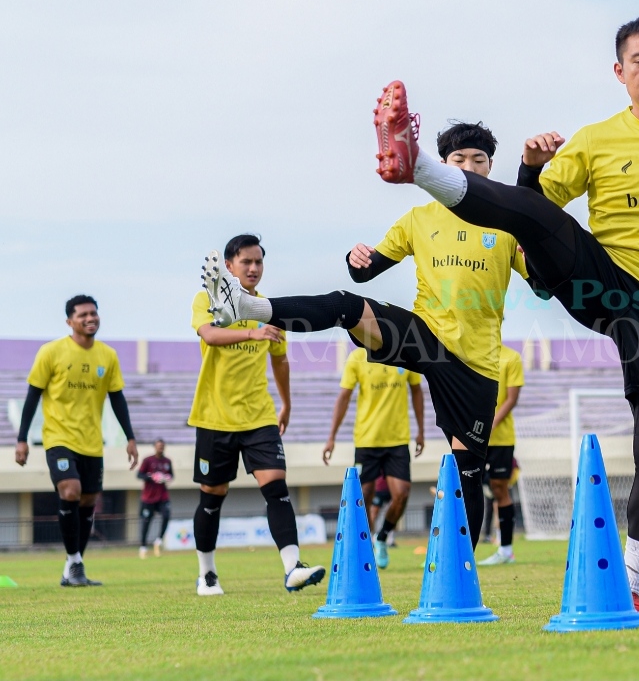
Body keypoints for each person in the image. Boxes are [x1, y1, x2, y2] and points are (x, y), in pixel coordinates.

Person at [371, 15, 639, 624]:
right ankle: (414, 162)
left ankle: (627, 585)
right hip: (604, 280)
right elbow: (535, 204)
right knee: (538, 220)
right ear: (619, 72)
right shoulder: (596, 139)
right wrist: (526, 165)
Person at [201, 123, 527, 552]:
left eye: (478, 160)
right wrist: (357, 259)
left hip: (475, 362)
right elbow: (367, 269)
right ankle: (247, 307)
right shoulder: (419, 219)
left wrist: (536, 244)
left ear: (489, 167)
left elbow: (540, 282)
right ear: (444, 166)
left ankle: (462, 578)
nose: (468, 167)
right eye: (458, 160)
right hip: (425, 334)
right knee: (344, 304)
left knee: (468, 469)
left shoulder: (506, 222)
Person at [189, 234, 324, 596]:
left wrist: (287, 402)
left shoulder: (268, 308)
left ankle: (293, 568)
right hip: (214, 416)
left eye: (258, 262)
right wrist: (254, 330)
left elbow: (280, 361)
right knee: (212, 497)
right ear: (228, 266)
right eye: (246, 262)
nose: (253, 268)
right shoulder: (207, 299)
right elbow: (210, 337)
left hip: (259, 416)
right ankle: (207, 574)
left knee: (277, 488)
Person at [14, 295, 138, 586]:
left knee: (88, 501)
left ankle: (74, 566)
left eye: (93, 313)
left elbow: (117, 398)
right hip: (58, 438)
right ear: (70, 321)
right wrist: (21, 440)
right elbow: (32, 395)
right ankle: (74, 562)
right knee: (70, 491)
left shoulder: (108, 356)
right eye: (82, 315)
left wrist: (130, 437)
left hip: (92, 443)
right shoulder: (51, 352)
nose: (90, 318)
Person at [324, 346, 425, 568]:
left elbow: (417, 390)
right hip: (366, 441)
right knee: (364, 498)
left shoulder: (405, 354)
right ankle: (367, 544)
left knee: (402, 493)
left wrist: (421, 430)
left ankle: (382, 537)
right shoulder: (358, 357)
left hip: (397, 441)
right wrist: (331, 437)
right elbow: (344, 396)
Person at [478, 344, 525, 565]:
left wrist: (492, 423)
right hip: (473, 436)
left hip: (501, 438)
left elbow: (512, 399)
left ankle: (505, 549)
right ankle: (455, 550)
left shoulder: (511, 357)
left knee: (500, 488)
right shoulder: (470, 354)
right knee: (465, 487)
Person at [137, 439, 173, 559]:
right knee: (146, 522)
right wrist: (151, 477)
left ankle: (158, 541)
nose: (160, 448)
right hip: (148, 497)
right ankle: (143, 547)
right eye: (158, 446)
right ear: (154, 447)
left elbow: (171, 475)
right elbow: (139, 475)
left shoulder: (167, 461)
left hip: (162, 496)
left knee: (166, 515)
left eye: (162, 446)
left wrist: (167, 477)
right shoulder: (148, 460)